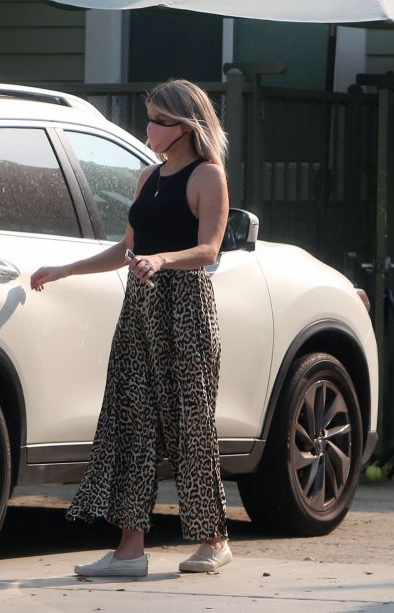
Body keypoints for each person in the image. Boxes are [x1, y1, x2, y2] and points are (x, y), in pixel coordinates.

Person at [30, 78, 231, 577]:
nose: (149, 128)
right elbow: (126, 250)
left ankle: (214, 539)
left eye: (159, 120)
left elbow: (210, 250)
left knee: (191, 425)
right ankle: (129, 551)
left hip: (185, 311)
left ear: (183, 128)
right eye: (150, 117)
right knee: (130, 424)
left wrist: (163, 260)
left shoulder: (208, 177)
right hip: (139, 312)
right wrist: (65, 269)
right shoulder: (149, 177)